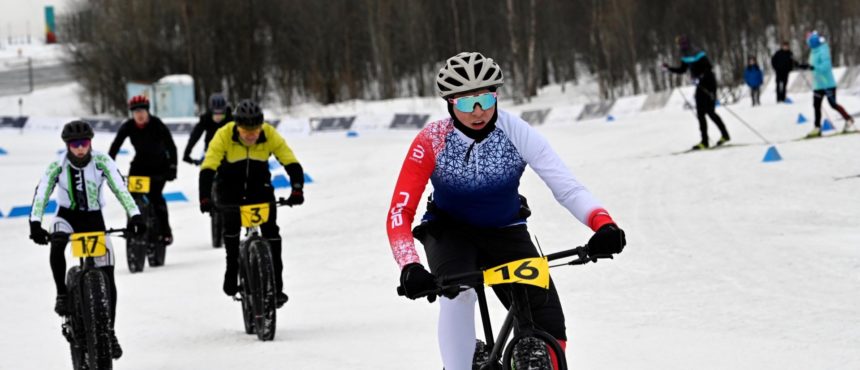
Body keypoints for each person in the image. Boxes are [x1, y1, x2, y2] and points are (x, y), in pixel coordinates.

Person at [387, 52, 627, 370]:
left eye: (485, 99)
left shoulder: (515, 132)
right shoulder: (432, 140)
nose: (477, 112)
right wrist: (409, 266)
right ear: (449, 104)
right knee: (458, 293)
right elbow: (400, 211)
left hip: (505, 229)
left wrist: (603, 225)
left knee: (548, 326)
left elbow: (567, 187)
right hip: (449, 232)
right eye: (465, 103)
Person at [29, 121, 146, 359]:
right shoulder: (57, 166)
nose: (80, 148)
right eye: (75, 144)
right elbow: (42, 192)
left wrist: (135, 215)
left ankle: (109, 332)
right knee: (58, 243)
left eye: (85, 143)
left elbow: (121, 189)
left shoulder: (102, 162)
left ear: (91, 143)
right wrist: (35, 223)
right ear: (67, 145)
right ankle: (62, 293)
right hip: (67, 217)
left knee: (108, 270)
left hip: (94, 218)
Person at [198, 99, 305, 307]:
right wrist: (205, 197)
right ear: (237, 126)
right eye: (246, 131)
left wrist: (297, 188)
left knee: (272, 234)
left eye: (254, 131)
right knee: (231, 232)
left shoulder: (269, 134)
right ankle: (232, 269)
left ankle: (276, 288)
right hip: (229, 189)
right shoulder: (224, 134)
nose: (250, 135)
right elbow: (208, 166)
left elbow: (290, 160)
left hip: (259, 188)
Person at [108, 95, 178, 245]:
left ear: (147, 111)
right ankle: (133, 225)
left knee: (156, 197)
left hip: (160, 165)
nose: (139, 115)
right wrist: (108, 167)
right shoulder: (128, 126)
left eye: (142, 111)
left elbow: (171, 146)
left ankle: (166, 230)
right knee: (131, 197)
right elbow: (115, 147)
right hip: (140, 165)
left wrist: (173, 167)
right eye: (135, 112)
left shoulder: (157, 124)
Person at [663, 35, 731, 150]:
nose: (681, 46)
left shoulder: (697, 52)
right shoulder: (684, 55)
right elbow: (682, 70)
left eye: (682, 44)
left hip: (709, 83)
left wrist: (701, 76)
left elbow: (708, 67)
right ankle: (706, 141)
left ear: (687, 43)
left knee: (709, 112)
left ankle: (721, 136)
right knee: (702, 114)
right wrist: (669, 68)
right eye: (679, 44)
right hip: (700, 85)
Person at [796, 31, 856, 137]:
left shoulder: (823, 50)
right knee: (816, 105)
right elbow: (812, 65)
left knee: (833, 104)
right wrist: (804, 66)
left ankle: (849, 119)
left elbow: (825, 67)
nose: (808, 44)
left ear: (813, 42)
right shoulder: (813, 51)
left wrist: (812, 67)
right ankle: (817, 128)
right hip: (818, 85)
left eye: (809, 42)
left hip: (828, 84)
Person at [183, 93, 233, 165]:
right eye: (215, 113)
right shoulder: (206, 118)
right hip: (210, 149)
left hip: (228, 150)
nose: (218, 117)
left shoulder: (230, 119)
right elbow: (195, 135)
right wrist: (187, 152)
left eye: (221, 114)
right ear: (211, 111)